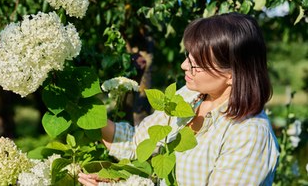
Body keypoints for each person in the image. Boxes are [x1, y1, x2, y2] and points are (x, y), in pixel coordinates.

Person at [78, 12, 280, 185]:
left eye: (196, 64)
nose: (184, 66)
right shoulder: (191, 95)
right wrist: (85, 112)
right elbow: (138, 143)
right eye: (188, 56)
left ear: (232, 74)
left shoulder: (250, 134)